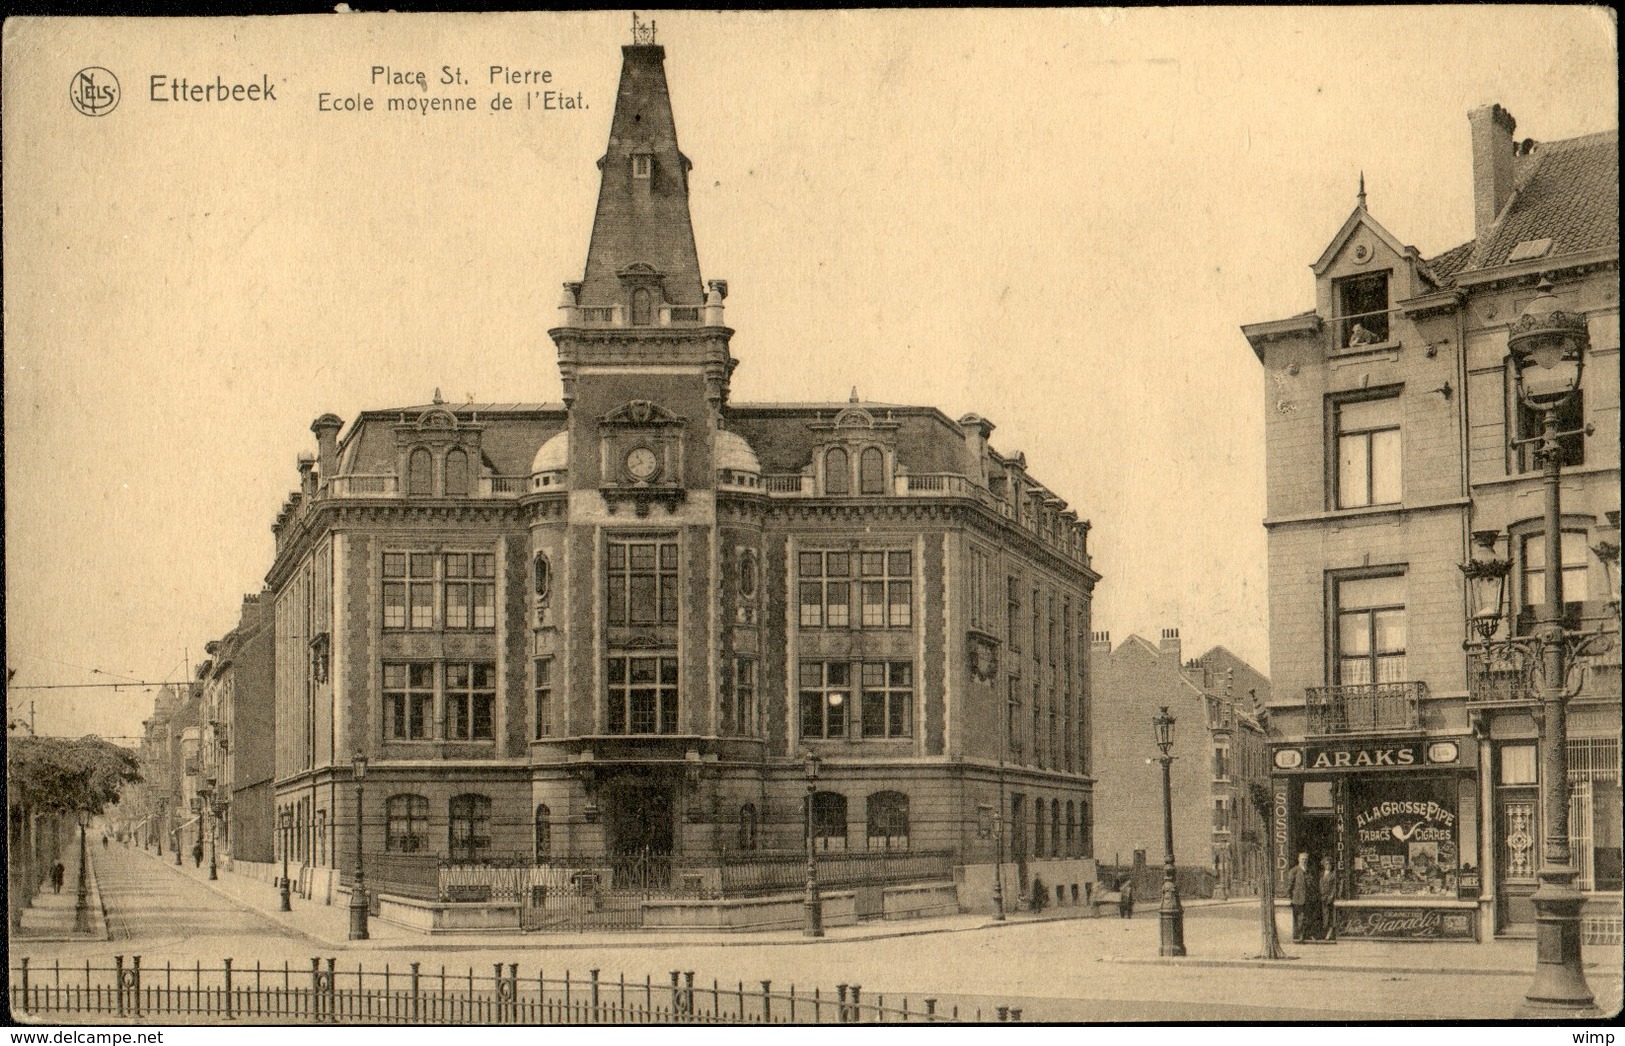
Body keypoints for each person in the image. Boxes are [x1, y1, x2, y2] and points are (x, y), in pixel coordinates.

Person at [1285, 851, 1313, 942]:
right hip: (1298, 898)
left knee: (1306, 917)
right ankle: (1300, 936)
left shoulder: (1308, 870)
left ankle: (1304, 935)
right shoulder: (1294, 870)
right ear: (1298, 859)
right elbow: (1289, 884)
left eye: (1306, 859)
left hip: (1307, 898)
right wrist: (1288, 895)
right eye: (1302, 859)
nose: (1304, 861)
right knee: (1300, 917)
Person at [1319, 858, 1337, 941]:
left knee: (1330, 916)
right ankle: (1324, 933)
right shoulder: (1322, 874)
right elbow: (1320, 885)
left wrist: (1331, 896)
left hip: (1330, 899)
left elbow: (1334, 887)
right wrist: (1322, 894)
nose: (1328, 866)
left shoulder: (1333, 874)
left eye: (1329, 864)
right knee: (1325, 916)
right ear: (1324, 865)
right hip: (1323, 898)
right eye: (1326, 864)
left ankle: (1329, 934)